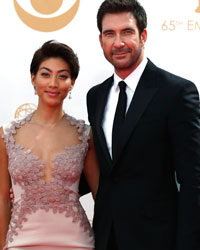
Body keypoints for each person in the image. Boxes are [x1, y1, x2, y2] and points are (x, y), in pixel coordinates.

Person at [86, 0, 200, 250]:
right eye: (109, 34)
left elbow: (193, 180)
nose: (118, 43)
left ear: (143, 35)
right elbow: (107, 168)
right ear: (100, 40)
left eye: (126, 32)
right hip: (106, 236)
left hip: (158, 239)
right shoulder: (95, 96)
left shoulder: (176, 92)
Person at [0, 40, 99, 250]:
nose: (53, 83)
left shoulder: (85, 135)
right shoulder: (7, 135)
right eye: (45, 74)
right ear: (33, 78)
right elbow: (2, 199)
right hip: (21, 242)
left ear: (72, 83)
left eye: (62, 76)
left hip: (77, 242)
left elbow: (102, 195)